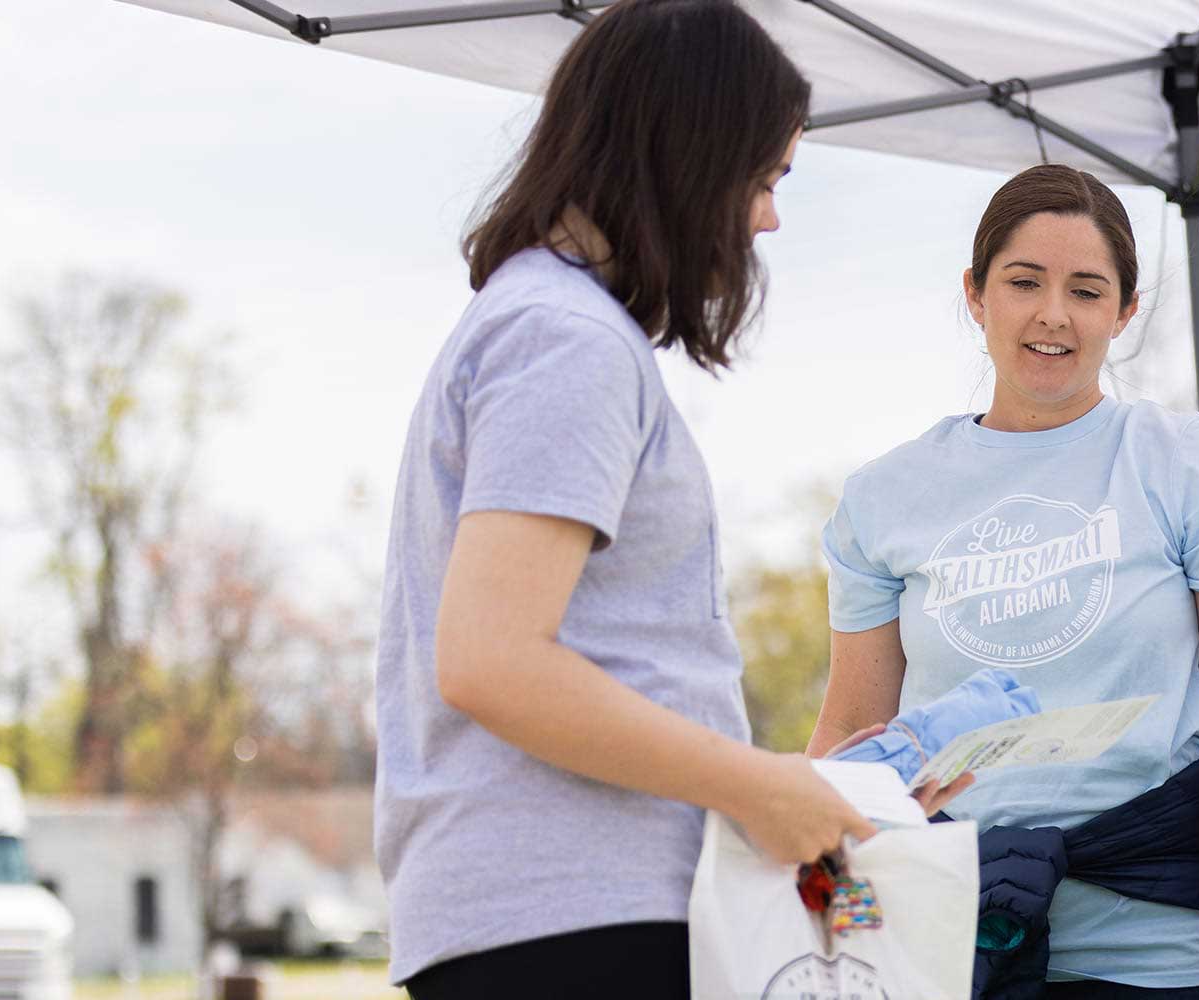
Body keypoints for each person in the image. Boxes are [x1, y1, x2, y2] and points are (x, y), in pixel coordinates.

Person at [372, 4, 965, 995]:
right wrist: (754, 784)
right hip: (573, 921)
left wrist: (799, 784)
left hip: (552, 912)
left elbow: (589, 657)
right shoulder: (566, 339)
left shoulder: (535, 322)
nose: (770, 217)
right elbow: (490, 661)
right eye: (766, 177)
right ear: (689, 153)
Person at [808, 163, 1199, 1000]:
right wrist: (807, 909)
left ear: (1124, 311)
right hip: (948, 946)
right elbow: (856, 731)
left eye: (1087, 290)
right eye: (1023, 282)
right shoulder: (883, 497)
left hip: (1163, 959)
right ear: (976, 295)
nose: (1053, 314)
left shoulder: (1192, 466)